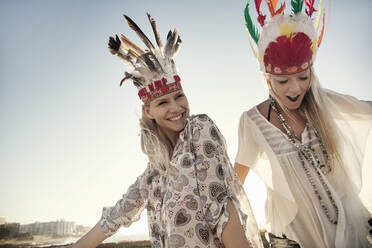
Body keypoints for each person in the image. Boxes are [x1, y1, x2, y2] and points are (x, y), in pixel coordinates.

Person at [72, 13, 262, 248]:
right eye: (163, 103)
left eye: (179, 96)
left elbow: (221, 205)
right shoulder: (154, 171)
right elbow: (118, 214)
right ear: (148, 110)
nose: (176, 108)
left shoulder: (199, 130)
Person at [234, 0, 372, 247]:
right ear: (268, 80)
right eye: (283, 81)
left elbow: (367, 110)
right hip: (296, 238)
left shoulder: (323, 102)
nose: (295, 88)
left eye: (302, 77)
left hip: (347, 232)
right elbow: (234, 185)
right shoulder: (252, 122)